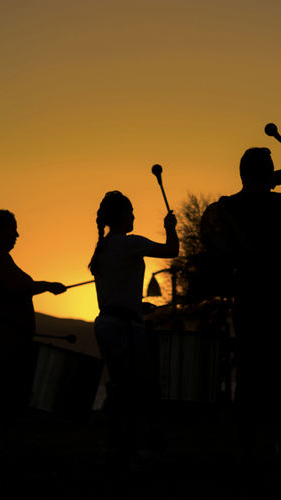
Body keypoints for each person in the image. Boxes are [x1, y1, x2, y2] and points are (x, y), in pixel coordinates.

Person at [203, 148, 281, 464]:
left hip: (247, 300)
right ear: (268, 172)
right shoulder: (278, 205)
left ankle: (245, 454)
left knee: (250, 375)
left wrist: (269, 182)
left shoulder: (228, 206)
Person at [88, 191, 179, 465]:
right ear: (120, 216)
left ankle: (113, 448)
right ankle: (143, 451)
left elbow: (116, 293)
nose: (133, 216)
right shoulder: (129, 244)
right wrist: (170, 229)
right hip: (124, 327)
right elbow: (172, 251)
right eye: (130, 212)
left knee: (119, 390)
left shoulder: (102, 248)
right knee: (142, 390)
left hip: (106, 324)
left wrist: (138, 307)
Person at [0, 210, 67, 452]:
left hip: (6, 335)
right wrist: (47, 286)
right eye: (12, 228)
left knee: (3, 391)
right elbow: (17, 287)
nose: (17, 234)